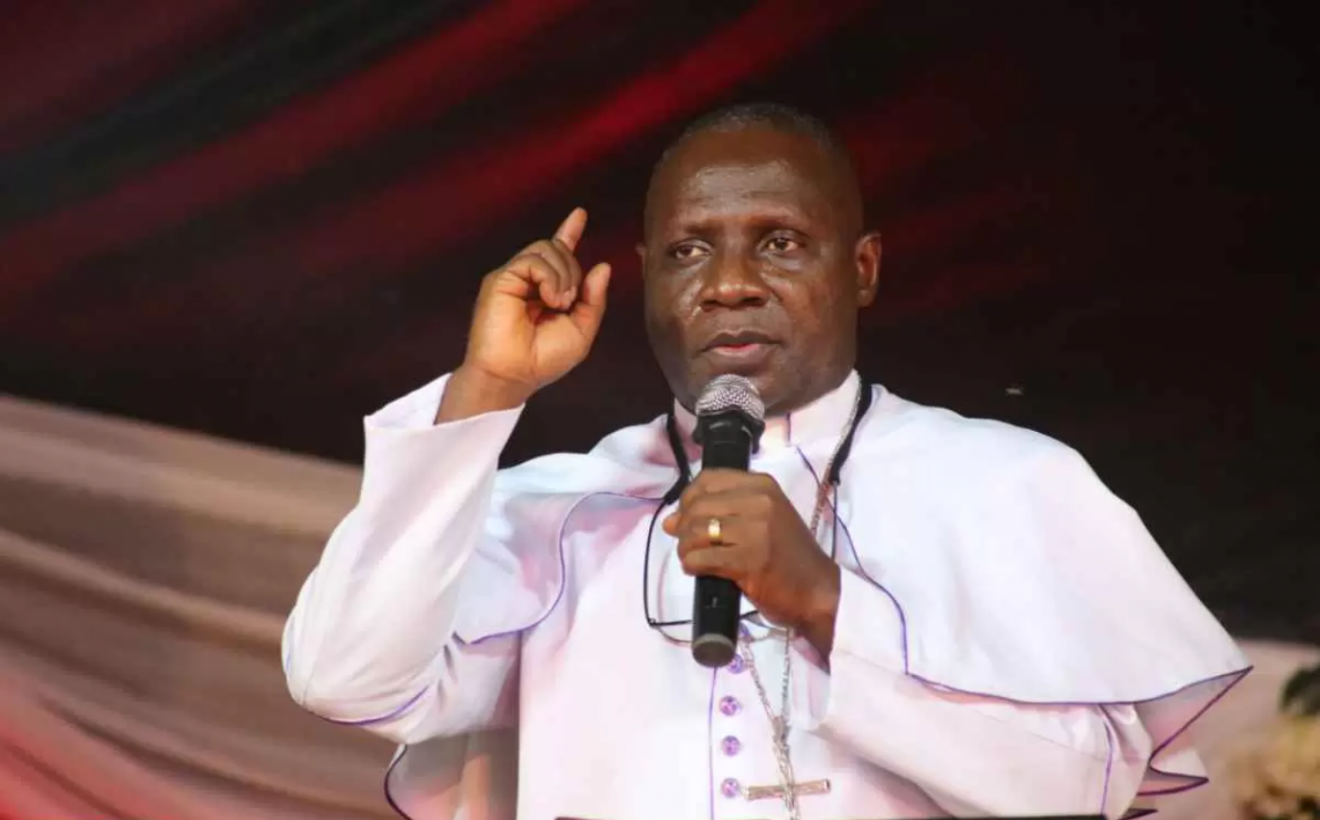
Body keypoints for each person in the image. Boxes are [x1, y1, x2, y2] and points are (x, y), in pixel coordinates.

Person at [283, 103, 1248, 820]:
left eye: (779, 243)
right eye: (689, 252)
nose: (731, 284)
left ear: (861, 269)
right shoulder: (557, 508)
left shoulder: (1006, 484)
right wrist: (488, 387)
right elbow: (344, 677)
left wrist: (827, 604)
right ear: (648, 279)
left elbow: (1082, 788)